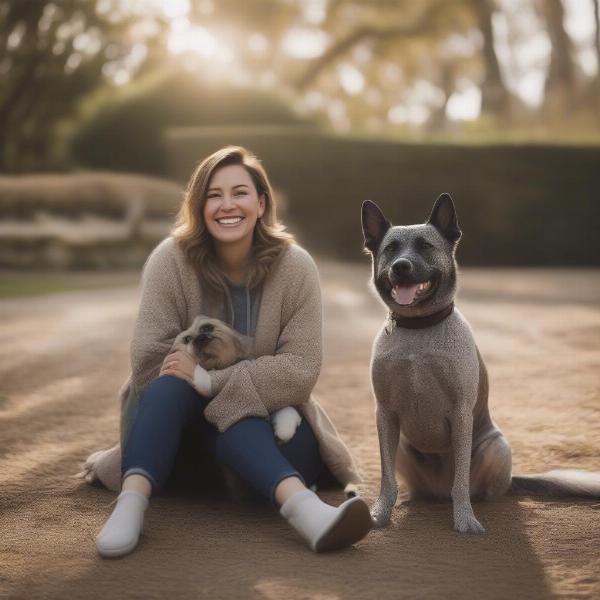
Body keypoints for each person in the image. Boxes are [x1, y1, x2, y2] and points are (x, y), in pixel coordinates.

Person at [91, 146, 371, 557]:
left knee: (225, 406)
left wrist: (209, 380)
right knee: (171, 384)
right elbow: (149, 361)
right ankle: (130, 504)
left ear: (261, 204)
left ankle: (311, 516)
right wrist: (198, 384)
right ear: (198, 206)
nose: (227, 205)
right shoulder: (168, 261)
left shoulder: (297, 268)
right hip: (175, 437)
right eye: (213, 195)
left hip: (270, 437)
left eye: (239, 193)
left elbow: (301, 369)